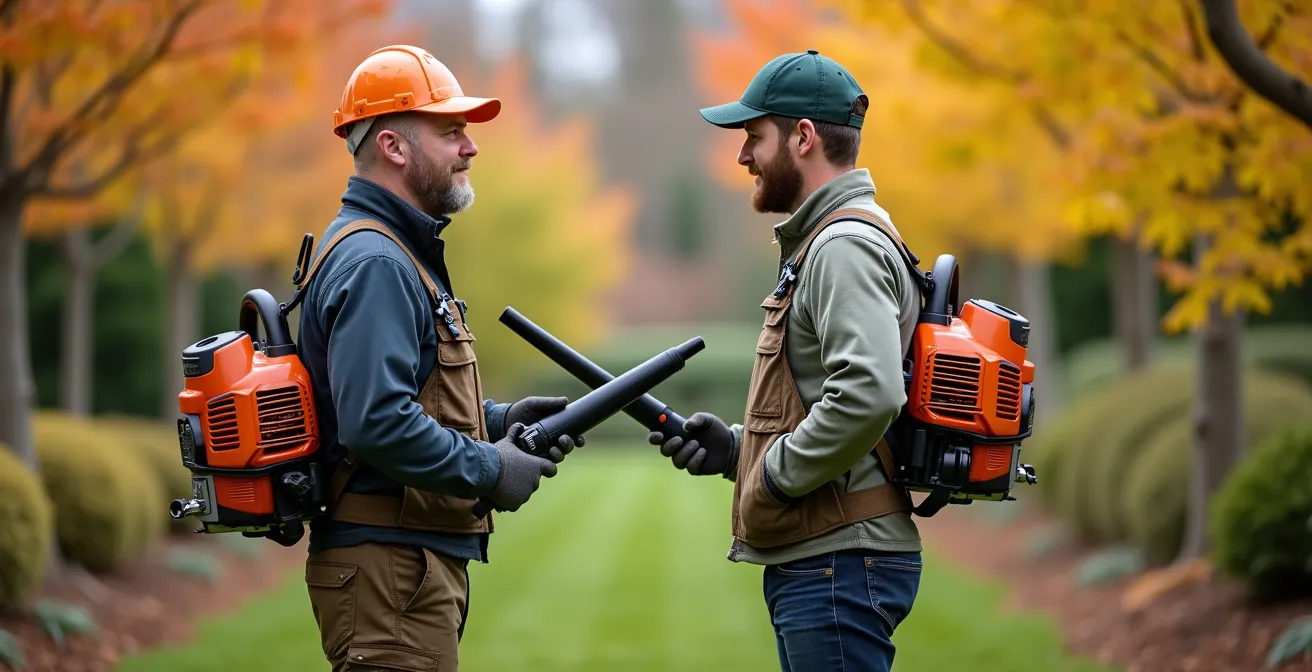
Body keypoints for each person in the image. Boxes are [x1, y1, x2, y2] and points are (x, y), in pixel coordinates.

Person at [293, 45, 580, 672]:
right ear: (395, 147)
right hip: (387, 573)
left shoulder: (395, 252)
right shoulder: (378, 263)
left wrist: (496, 423)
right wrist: (488, 468)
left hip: (400, 568)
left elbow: (405, 395)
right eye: (451, 131)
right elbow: (375, 423)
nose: (470, 147)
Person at [648, 49, 925, 672]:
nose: (743, 156)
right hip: (833, 556)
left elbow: (868, 394)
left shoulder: (842, 246)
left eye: (754, 137)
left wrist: (770, 474)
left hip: (839, 560)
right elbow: (825, 392)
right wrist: (739, 451)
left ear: (803, 138)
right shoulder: (835, 240)